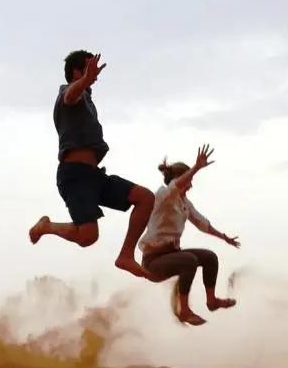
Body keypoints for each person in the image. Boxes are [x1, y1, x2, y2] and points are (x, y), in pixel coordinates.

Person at [29, 50, 155, 280]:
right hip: (74, 176)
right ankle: (47, 227)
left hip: (94, 176)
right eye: (88, 69)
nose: (95, 75)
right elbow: (70, 96)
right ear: (76, 72)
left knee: (145, 198)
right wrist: (85, 80)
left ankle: (126, 255)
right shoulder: (68, 93)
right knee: (88, 236)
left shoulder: (87, 100)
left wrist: (86, 81)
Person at [138, 143, 240, 326]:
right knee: (189, 260)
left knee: (209, 257)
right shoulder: (163, 195)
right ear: (179, 179)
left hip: (172, 255)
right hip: (153, 262)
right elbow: (176, 186)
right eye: (189, 180)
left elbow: (202, 223)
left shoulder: (184, 203)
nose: (191, 185)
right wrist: (196, 168)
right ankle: (183, 310)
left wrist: (224, 237)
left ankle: (212, 301)